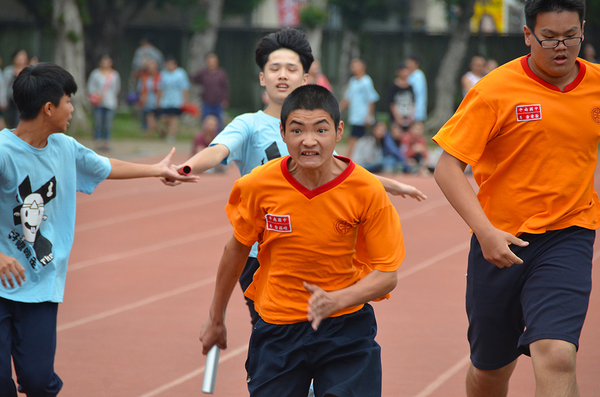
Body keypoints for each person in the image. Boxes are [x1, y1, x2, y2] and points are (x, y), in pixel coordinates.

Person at [166, 28, 425, 326]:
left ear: (305, 77)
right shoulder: (248, 124)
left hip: (318, 243)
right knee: (274, 329)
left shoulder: (318, 123)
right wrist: (187, 168)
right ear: (262, 77)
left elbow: (338, 173)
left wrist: (389, 184)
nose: (282, 76)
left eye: (291, 69)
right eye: (274, 68)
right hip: (264, 250)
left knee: (329, 324)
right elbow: (217, 151)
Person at [0, 62, 197, 397]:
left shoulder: (65, 147)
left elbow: (105, 166)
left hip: (42, 284)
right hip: (1, 285)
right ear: (49, 108)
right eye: (68, 101)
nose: (73, 109)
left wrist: (156, 170)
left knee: (36, 380)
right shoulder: (4, 152)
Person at [432, 1, 598, 396]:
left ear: (583, 30)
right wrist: (485, 232)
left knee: (557, 354)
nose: (562, 47)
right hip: (501, 241)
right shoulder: (494, 90)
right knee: (491, 371)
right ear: (527, 35)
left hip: (568, 234)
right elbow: (447, 168)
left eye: (571, 36)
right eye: (549, 38)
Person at [200, 84, 405, 397]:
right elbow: (237, 249)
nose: (309, 141)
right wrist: (216, 318)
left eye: (320, 130)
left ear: (338, 132)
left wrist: (335, 300)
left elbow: (387, 275)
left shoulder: (366, 190)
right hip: (278, 327)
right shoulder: (258, 185)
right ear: (282, 133)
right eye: (297, 130)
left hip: (345, 325)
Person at [339, 57, 379, 158]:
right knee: (355, 138)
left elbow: (371, 99)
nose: (353, 68)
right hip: (355, 116)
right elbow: (347, 98)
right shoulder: (353, 81)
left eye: (356, 65)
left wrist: (369, 116)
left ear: (363, 66)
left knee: (355, 138)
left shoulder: (366, 81)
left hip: (362, 117)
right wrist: (337, 110)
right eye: (352, 66)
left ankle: (348, 158)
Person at [87, 55, 121, 153]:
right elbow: (91, 87)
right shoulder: (95, 74)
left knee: (107, 124)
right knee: (98, 123)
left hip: (110, 102)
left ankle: (105, 143)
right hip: (98, 102)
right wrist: (95, 95)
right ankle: (97, 142)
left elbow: (116, 89)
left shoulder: (114, 75)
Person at [157, 55, 190, 143]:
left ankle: (172, 135)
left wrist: (185, 100)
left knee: (174, 118)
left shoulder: (180, 73)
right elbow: (160, 88)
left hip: (177, 100)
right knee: (164, 119)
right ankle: (167, 132)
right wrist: (158, 100)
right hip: (166, 100)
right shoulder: (163, 74)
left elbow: (185, 88)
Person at [191, 53, 229, 129]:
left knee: (219, 122)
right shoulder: (203, 73)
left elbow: (225, 87)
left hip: (218, 102)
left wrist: (225, 100)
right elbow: (194, 79)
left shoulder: (221, 74)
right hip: (206, 102)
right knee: (205, 121)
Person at [1, 50, 29, 129]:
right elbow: (4, 86)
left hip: (23, 101)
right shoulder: (8, 71)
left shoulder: (28, 71)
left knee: (20, 120)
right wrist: (3, 100)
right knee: (10, 121)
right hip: (11, 100)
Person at [136, 59, 161, 138]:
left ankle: (150, 134)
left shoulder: (160, 77)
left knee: (150, 118)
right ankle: (156, 131)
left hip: (156, 100)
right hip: (146, 100)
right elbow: (140, 89)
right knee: (149, 118)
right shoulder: (143, 77)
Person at [388, 62, 415, 129]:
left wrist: (410, 117)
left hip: (408, 117)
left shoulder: (410, 86)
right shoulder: (393, 86)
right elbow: (391, 103)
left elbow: (413, 102)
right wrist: (397, 118)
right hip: (396, 117)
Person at [405, 54, 427, 122]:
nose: (408, 64)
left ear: (416, 64)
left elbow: (415, 92)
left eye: (410, 62)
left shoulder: (418, 75)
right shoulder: (410, 76)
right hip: (409, 110)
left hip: (416, 110)